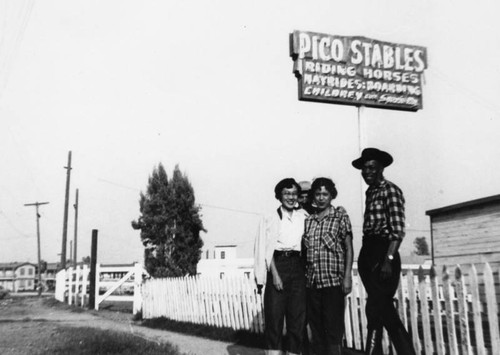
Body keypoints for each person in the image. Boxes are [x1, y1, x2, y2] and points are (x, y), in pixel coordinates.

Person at [352, 148, 416, 355]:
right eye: (364, 168)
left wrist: (388, 260)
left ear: (381, 168)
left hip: (384, 253)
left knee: (378, 309)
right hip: (368, 252)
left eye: (371, 167)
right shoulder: (370, 192)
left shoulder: (391, 190)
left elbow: (397, 231)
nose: (367, 172)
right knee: (380, 309)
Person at [254, 178, 308, 355]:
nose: (291, 197)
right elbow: (265, 249)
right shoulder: (269, 218)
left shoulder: (304, 217)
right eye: (286, 193)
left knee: (297, 322)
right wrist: (274, 275)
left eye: (294, 194)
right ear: (279, 196)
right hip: (278, 265)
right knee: (274, 321)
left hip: (298, 267)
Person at [302, 177, 353, 355]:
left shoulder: (340, 217)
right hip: (312, 284)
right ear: (313, 197)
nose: (321, 198)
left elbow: (348, 247)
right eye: (318, 194)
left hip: (332, 283)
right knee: (316, 329)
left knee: (333, 330)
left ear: (332, 196)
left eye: (325, 194)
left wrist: (347, 277)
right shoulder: (309, 221)